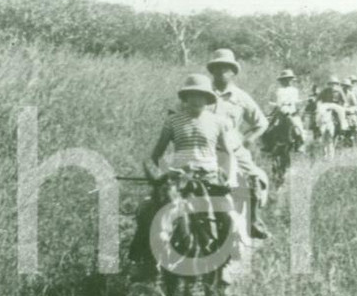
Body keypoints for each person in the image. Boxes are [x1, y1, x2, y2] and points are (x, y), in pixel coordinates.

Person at [129, 73, 244, 275]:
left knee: (229, 217)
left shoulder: (218, 122)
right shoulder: (173, 121)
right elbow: (156, 155)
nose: (196, 99)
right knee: (147, 209)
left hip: (209, 178)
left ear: (207, 98)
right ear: (186, 97)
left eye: (201, 95)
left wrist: (231, 177)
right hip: (178, 180)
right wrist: (168, 171)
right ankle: (143, 259)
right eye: (192, 95)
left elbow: (228, 153)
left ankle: (226, 263)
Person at [206, 49, 270, 239]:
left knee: (254, 178)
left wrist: (249, 138)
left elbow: (262, 122)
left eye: (226, 68)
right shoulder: (201, 93)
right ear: (212, 70)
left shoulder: (240, 97)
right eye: (217, 67)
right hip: (204, 148)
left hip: (233, 149)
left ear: (233, 71)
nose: (221, 71)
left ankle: (253, 221)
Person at [270, 68, 306, 150]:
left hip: (292, 110)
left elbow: (296, 101)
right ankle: (269, 144)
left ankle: (300, 142)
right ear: (282, 81)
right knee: (271, 125)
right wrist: (277, 106)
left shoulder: (294, 90)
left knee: (298, 125)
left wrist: (302, 102)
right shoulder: (279, 90)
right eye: (284, 80)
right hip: (282, 110)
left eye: (289, 79)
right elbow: (278, 102)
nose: (287, 81)